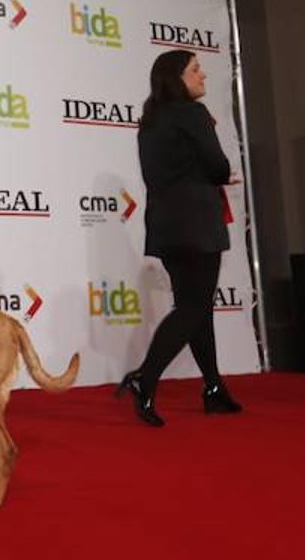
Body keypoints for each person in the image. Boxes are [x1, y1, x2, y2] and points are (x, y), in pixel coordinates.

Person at [117, 49, 243, 426]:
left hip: (167, 225)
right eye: (195, 69)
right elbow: (217, 163)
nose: (203, 75)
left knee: (196, 308)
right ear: (177, 77)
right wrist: (222, 175)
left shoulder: (151, 119)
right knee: (192, 309)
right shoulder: (192, 113)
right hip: (197, 222)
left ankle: (214, 388)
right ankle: (144, 378)